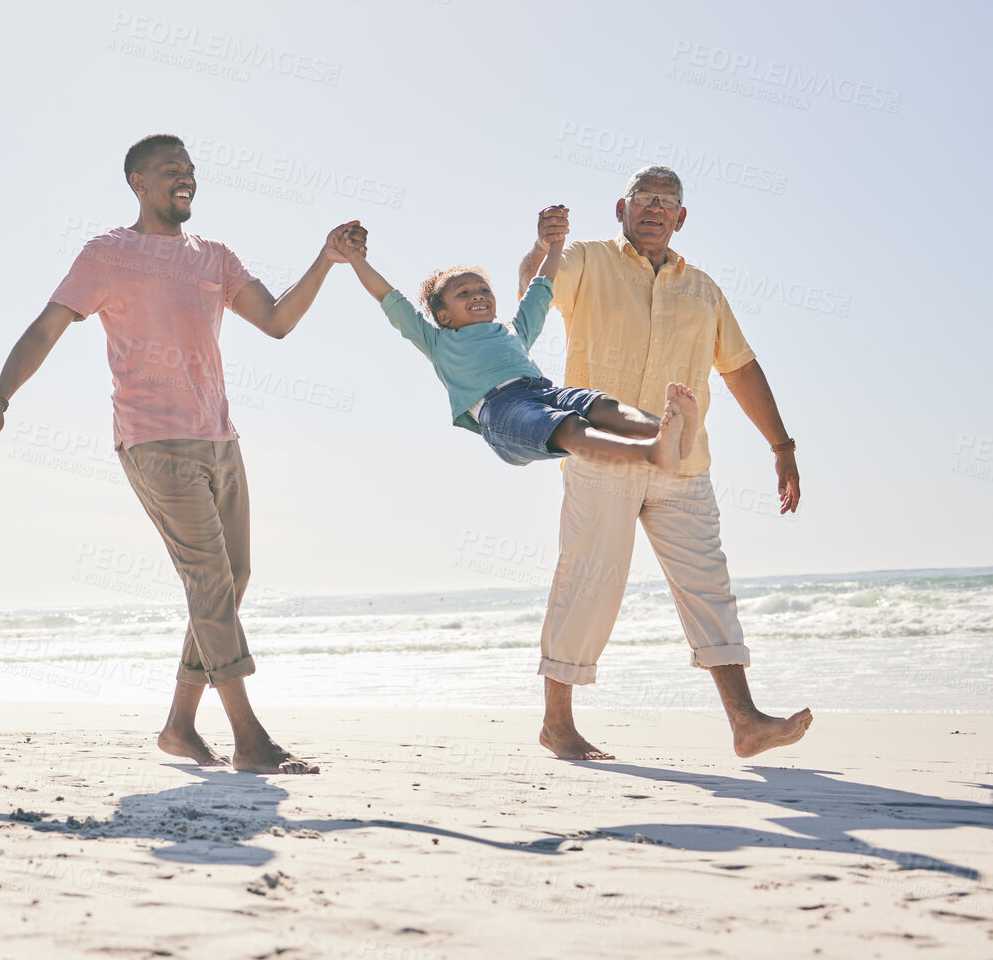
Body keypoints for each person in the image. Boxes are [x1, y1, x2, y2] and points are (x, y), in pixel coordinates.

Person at [0, 133, 364, 775]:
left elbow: (278, 321)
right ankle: (249, 737)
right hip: (153, 438)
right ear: (137, 183)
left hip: (220, 437)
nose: (186, 177)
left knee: (232, 580)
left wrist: (325, 258)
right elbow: (47, 327)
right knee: (209, 580)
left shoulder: (216, 256)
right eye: (170, 170)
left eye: (190, 170)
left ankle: (180, 727)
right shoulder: (107, 253)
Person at [514, 168, 812, 760]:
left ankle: (745, 721)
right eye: (645, 199)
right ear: (622, 206)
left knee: (709, 585)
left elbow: (740, 368)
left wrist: (782, 446)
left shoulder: (702, 288)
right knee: (589, 584)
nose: (655, 208)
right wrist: (542, 248)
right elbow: (536, 286)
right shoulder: (586, 260)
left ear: (681, 218)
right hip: (604, 451)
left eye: (667, 202)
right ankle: (557, 724)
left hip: (682, 461)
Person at [339, 212, 698, 472]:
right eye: (463, 293)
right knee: (570, 427)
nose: (477, 295)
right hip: (502, 412)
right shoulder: (436, 341)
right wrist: (355, 258)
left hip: (544, 391)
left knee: (599, 404)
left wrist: (554, 244)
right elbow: (390, 298)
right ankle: (652, 453)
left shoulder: (513, 331)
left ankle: (668, 433)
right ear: (443, 316)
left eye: (482, 289)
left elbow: (540, 291)